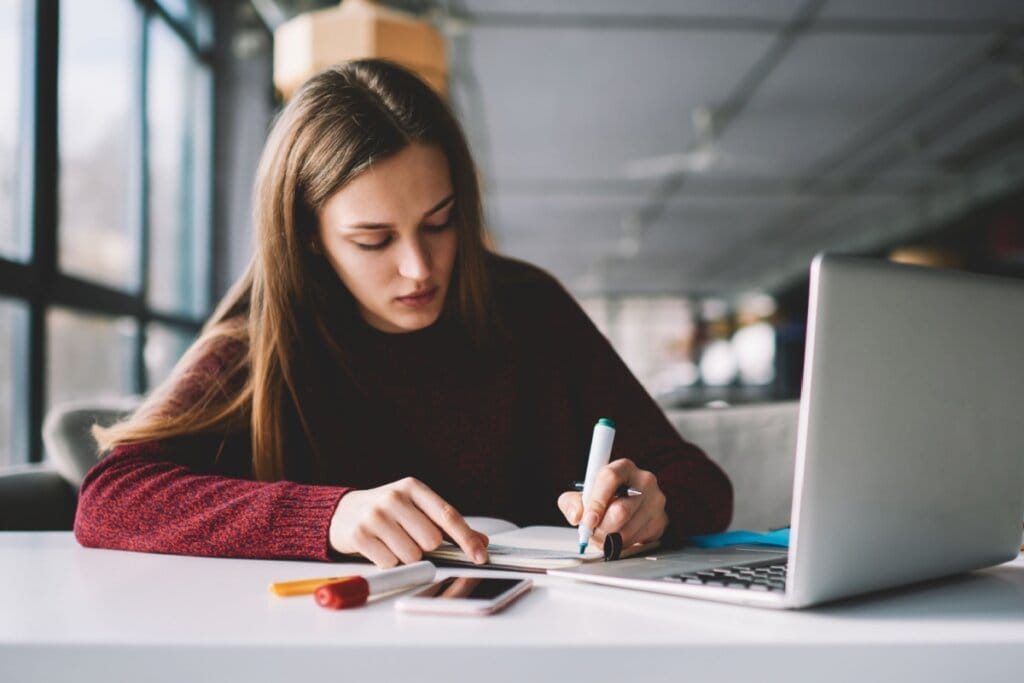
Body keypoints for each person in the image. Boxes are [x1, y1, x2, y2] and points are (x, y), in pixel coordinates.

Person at [74, 59, 732, 568]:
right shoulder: (261, 341)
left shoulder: (528, 307)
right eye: (374, 240)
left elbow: (699, 480)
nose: (420, 267)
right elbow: (110, 497)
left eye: (439, 223)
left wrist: (647, 505)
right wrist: (329, 516)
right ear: (309, 235)